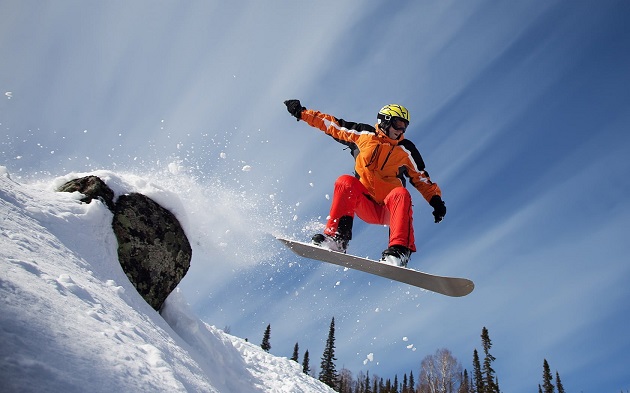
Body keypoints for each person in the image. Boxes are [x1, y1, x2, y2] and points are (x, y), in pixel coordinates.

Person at [283, 99, 446, 267]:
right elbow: (331, 125)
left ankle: (399, 251)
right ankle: (337, 239)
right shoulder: (363, 135)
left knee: (401, 193)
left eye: (405, 126)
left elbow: (420, 178)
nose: (401, 130)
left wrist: (436, 201)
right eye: (398, 124)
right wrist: (301, 113)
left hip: (390, 209)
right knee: (345, 181)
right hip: (365, 204)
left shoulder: (406, 150)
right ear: (385, 121)